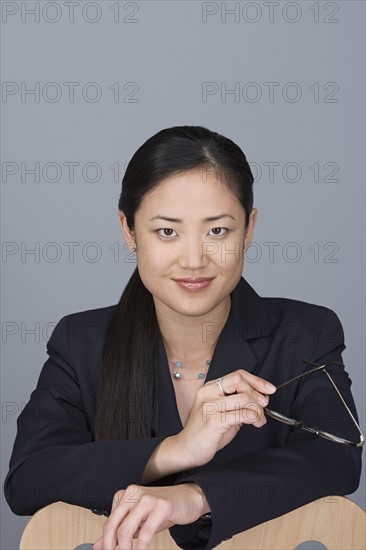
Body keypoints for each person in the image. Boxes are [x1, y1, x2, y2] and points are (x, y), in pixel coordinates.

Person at [4, 126, 363, 550]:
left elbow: (336, 460)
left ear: (248, 229)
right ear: (128, 230)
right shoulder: (81, 340)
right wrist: (174, 451)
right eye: (167, 232)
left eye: (217, 231)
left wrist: (196, 496)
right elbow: (29, 478)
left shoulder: (306, 332)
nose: (194, 260)